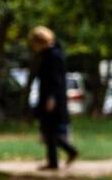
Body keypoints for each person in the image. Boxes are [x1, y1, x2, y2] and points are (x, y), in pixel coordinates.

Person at [29, 26, 79, 171]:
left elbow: (56, 80)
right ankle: (53, 161)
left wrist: (51, 97)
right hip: (49, 97)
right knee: (48, 131)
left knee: (52, 131)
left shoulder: (53, 56)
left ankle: (69, 151)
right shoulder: (49, 55)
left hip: (52, 98)